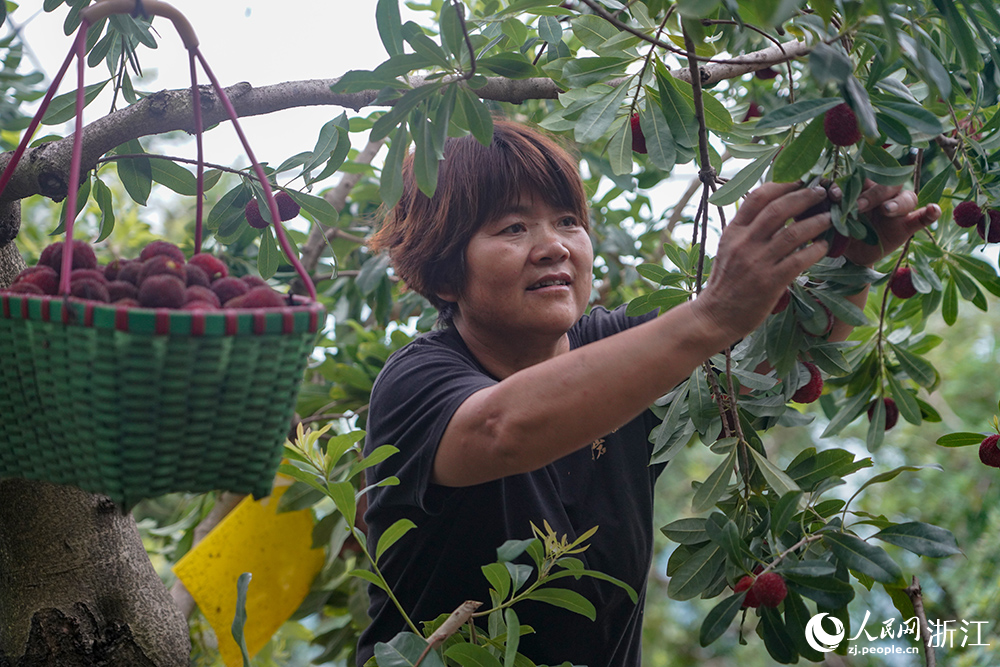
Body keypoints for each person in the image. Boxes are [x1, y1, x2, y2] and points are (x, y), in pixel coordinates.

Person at [355, 119, 940, 666]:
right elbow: (500, 429)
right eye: (513, 227)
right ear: (441, 271)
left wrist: (850, 261)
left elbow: (781, 362)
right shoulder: (416, 382)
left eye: (567, 221)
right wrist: (713, 313)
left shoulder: (621, 346)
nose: (555, 245)